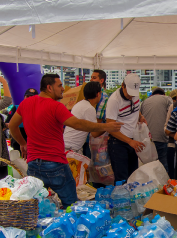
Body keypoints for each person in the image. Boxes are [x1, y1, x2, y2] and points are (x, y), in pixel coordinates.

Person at [9, 74, 121, 207]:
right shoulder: (56, 106)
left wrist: (23, 143)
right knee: (72, 206)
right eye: (60, 85)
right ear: (49, 88)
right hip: (55, 164)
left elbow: (12, 125)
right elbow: (78, 124)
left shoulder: (26, 103)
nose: (63, 89)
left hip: (33, 164)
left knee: (37, 207)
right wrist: (106, 126)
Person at [105, 73, 147, 183]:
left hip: (132, 140)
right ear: (123, 86)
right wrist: (129, 141)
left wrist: (140, 116)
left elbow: (136, 108)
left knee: (133, 176)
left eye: (133, 93)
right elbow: (110, 127)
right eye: (129, 93)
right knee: (122, 179)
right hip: (118, 143)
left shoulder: (135, 95)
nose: (131, 96)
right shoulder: (114, 100)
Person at [63, 82, 104, 153]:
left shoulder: (79, 104)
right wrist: (108, 126)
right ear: (98, 94)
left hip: (66, 145)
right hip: (72, 149)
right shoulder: (89, 108)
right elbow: (94, 133)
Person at [141, 87, 172, 173]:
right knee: (162, 166)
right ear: (163, 94)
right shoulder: (167, 99)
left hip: (147, 139)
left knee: (149, 166)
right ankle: (165, 184)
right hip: (161, 137)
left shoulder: (144, 102)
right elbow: (173, 113)